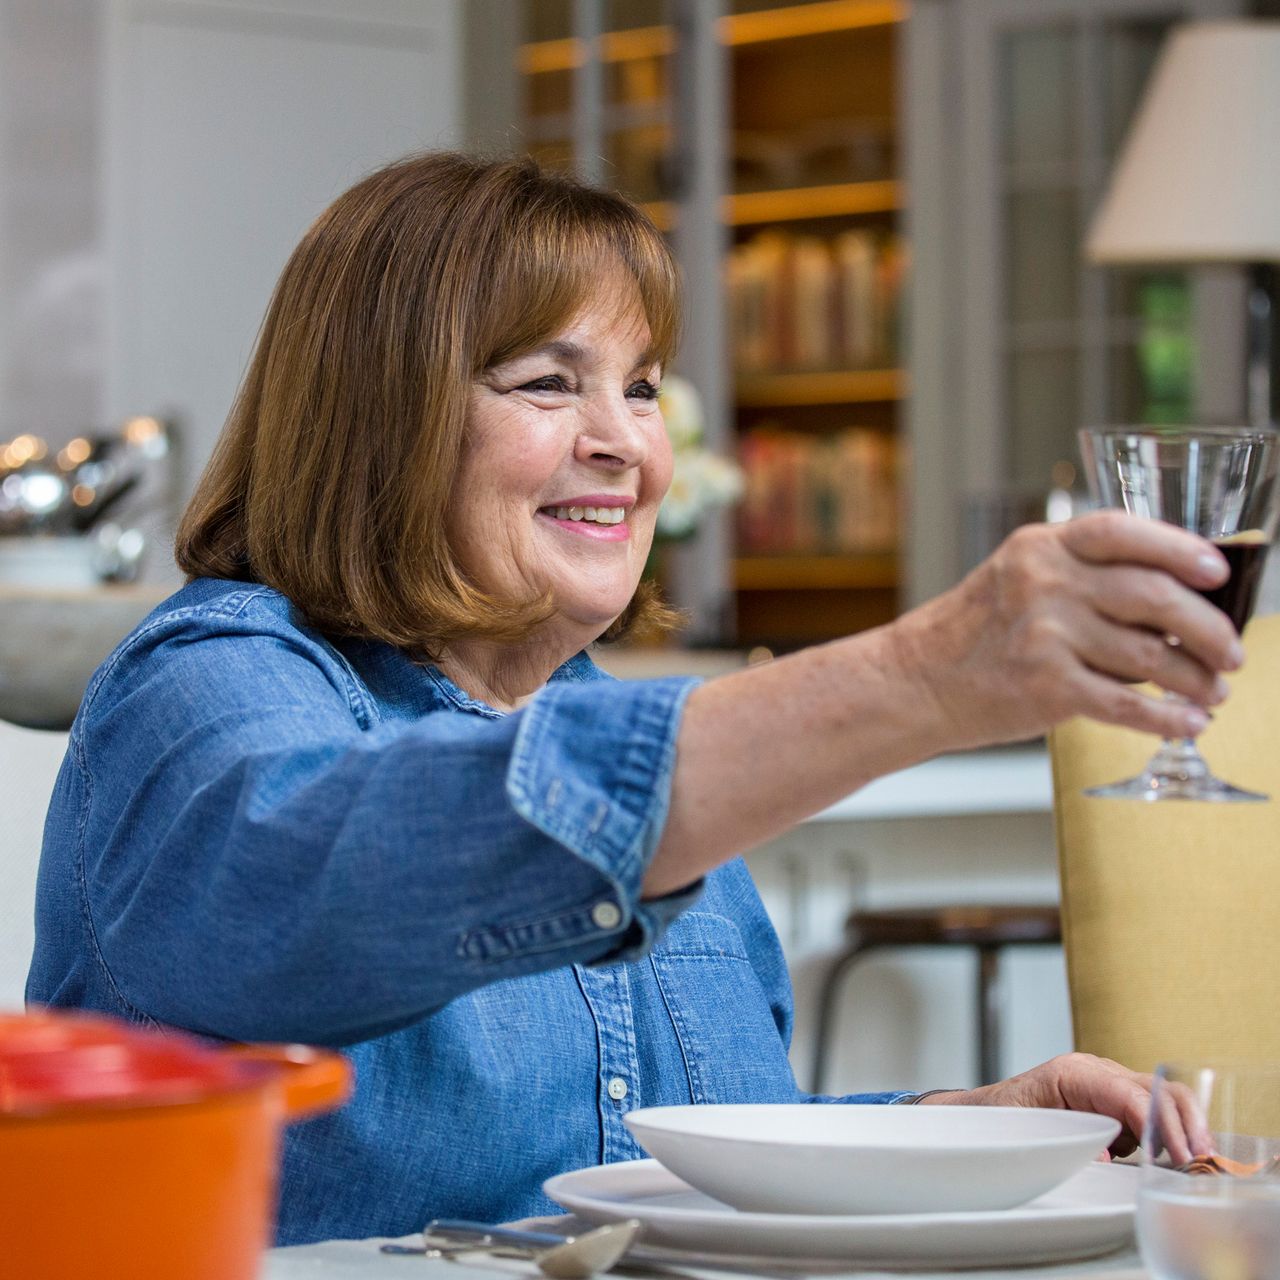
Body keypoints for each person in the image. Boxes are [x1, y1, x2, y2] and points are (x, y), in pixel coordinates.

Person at [27, 152, 1231, 1244]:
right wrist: (926, 674)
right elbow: (314, 903)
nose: (626, 444)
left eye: (642, 387)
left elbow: (708, 1155)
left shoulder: (616, 734)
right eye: (549, 383)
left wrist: (964, 1129)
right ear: (378, 418)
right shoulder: (208, 684)